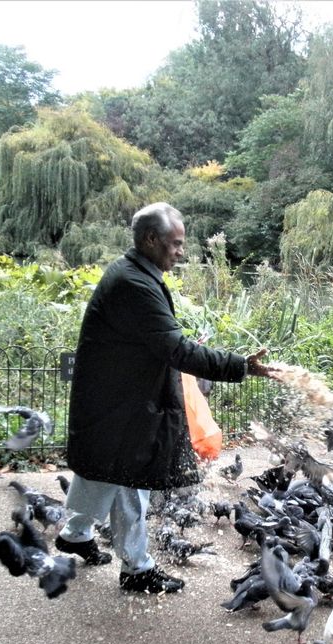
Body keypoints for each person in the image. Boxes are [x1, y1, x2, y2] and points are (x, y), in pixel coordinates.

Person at [56, 202, 276, 594]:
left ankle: (75, 536)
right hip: (122, 405)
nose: (180, 251)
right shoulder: (133, 284)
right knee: (128, 478)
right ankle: (137, 569)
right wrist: (239, 365)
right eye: (175, 243)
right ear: (151, 239)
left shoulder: (134, 274)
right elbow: (177, 349)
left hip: (116, 399)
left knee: (102, 470)